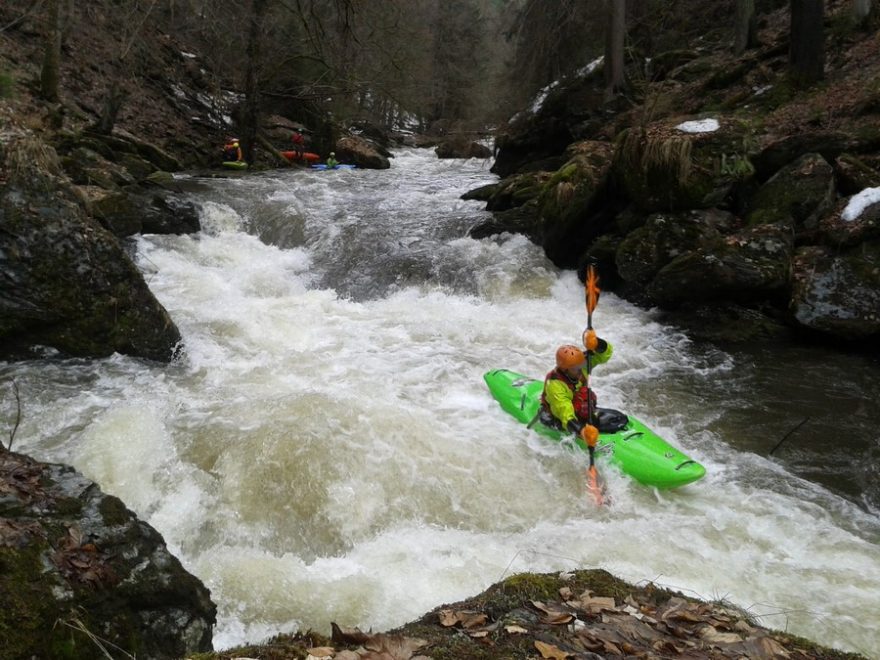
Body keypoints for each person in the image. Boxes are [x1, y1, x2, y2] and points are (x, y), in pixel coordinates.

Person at [540, 329, 613, 449]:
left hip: (578, 405)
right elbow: (565, 414)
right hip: (557, 415)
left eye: (581, 365)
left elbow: (605, 355)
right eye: (576, 368)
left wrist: (597, 343)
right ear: (565, 370)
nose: (580, 370)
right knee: (579, 400)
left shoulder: (580, 364)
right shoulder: (555, 386)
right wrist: (582, 432)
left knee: (585, 395)